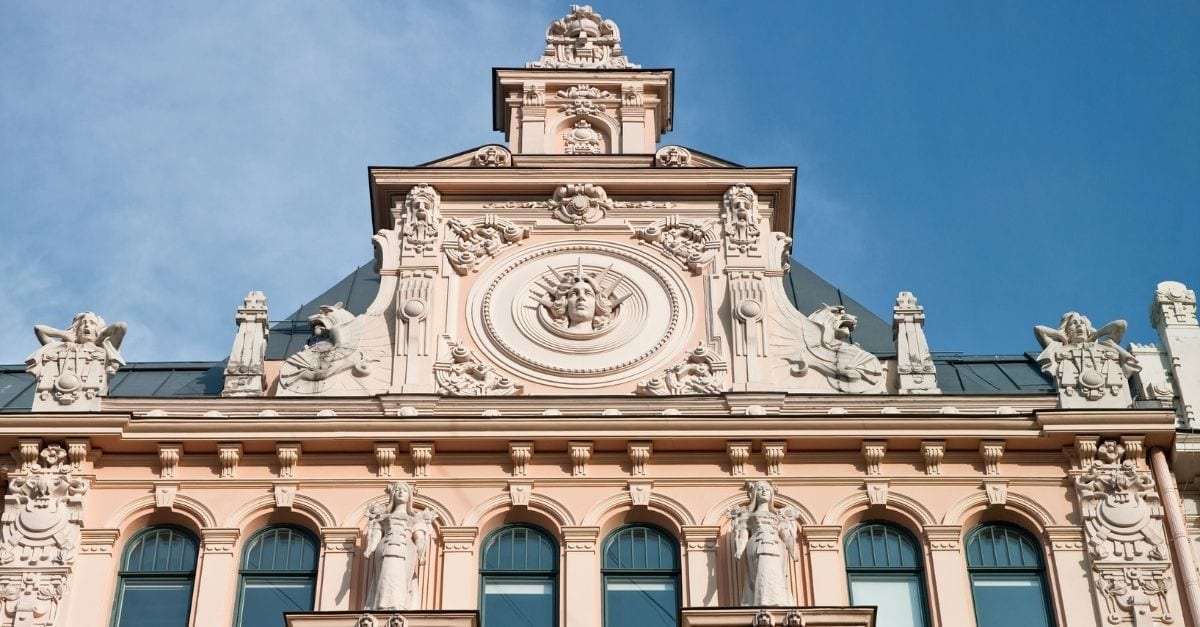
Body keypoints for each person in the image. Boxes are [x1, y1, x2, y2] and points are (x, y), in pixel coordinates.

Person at [364, 481, 436, 611]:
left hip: (406, 547)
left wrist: (422, 553)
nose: (400, 492)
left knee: (402, 576)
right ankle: (382, 606)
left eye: (404, 490)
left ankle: (400, 605)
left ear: (409, 496)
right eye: (397, 490)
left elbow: (419, 538)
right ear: (392, 495)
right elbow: (375, 537)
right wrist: (370, 548)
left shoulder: (415, 518)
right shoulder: (383, 518)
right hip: (385, 546)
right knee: (386, 574)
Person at [730, 481, 800, 606]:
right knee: (762, 570)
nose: (764, 491)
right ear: (755, 493)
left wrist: (792, 549)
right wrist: (739, 550)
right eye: (760, 489)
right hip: (757, 543)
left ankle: (779, 601)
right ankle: (762, 601)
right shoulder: (748, 516)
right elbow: (743, 536)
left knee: (776, 572)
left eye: (767, 489)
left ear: (771, 494)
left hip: (776, 546)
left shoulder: (779, 517)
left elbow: (785, 535)